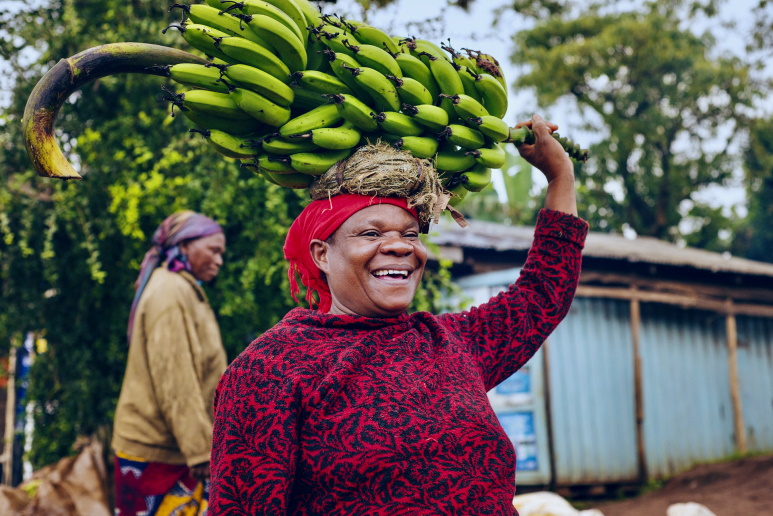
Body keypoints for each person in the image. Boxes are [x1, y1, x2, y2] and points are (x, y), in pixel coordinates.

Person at [209, 114, 588, 515]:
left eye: (410, 234)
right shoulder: (271, 368)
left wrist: (559, 175)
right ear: (322, 254)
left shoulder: (449, 342)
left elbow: (542, 293)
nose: (400, 247)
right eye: (371, 234)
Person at [112, 210, 228, 516]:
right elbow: (176, 381)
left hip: (173, 449)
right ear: (185, 245)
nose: (219, 261)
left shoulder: (183, 288)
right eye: (213, 251)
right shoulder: (170, 292)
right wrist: (201, 452)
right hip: (159, 452)